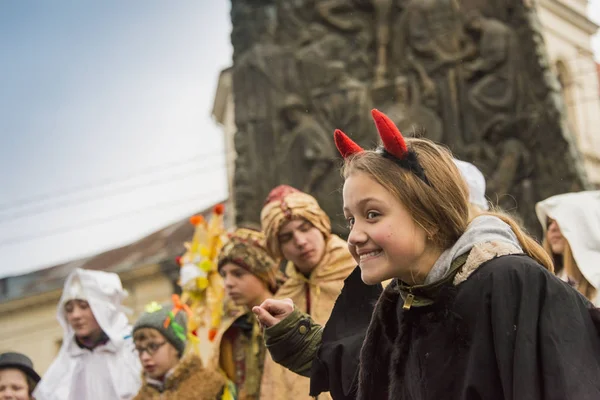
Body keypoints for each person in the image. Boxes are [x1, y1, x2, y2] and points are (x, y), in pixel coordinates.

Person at [255, 109, 600, 399]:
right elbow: (372, 379)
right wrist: (299, 335)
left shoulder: (511, 283)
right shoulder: (401, 300)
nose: (355, 235)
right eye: (350, 219)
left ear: (429, 217)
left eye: (372, 214)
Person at [257, 185, 356, 399]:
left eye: (305, 227)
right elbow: (277, 381)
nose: (300, 242)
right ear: (278, 248)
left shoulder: (363, 272)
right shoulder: (285, 295)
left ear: (320, 225)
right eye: (286, 237)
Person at [33, 268, 142, 400]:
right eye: (69, 309)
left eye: (84, 306)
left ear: (104, 309)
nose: (75, 315)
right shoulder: (67, 361)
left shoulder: (134, 348)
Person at [215, 228, 282, 400]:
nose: (228, 283)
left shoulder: (288, 316)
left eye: (238, 274)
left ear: (263, 274)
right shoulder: (236, 328)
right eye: (224, 275)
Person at [132, 300, 232, 400]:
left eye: (153, 346)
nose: (145, 357)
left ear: (175, 346)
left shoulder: (210, 386)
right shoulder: (140, 398)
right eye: (140, 350)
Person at [536, 190, 600, 305]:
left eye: (560, 222)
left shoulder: (597, 281)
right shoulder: (550, 280)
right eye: (549, 223)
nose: (551, 229)